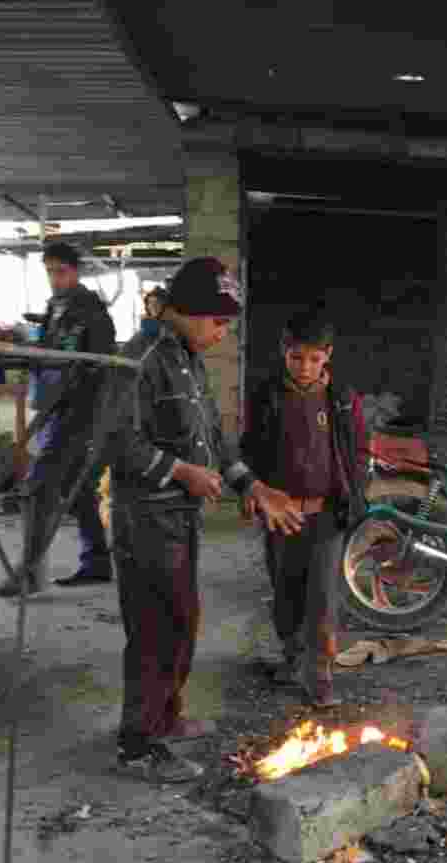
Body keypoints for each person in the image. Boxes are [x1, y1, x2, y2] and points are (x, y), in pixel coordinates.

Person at [109, 257, 302, 783]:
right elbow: (118, 443)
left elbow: (215, 439)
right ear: (185, 311)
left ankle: (164, 718)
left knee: (182, 621)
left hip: (179, 519)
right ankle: (137, 745)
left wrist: (253, 486)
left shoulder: (188, 359)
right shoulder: (141, 358)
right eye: (218, 321)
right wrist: (183, 472)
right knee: (156, 628)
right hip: (147, 519)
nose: (222, 332)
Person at [240, 306, 368, 707]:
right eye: (297, 357)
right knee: (285, 591)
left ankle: (321, 673)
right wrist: (251, 493)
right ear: (284, 351)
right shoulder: (266, 397)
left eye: (314, 358)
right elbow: (251, 450)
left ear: (328, 354)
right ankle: (292, 658)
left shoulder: (342, 400)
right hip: (281, 515)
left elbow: (358, 450)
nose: (305, 367)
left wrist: (356, 492)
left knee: (322, 597)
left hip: (326, 513)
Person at [0, 242, 117, 597]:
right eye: (49, 271)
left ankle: (30, 571)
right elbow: (51, 353)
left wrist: (94, 424)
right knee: (76, 490)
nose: (54, 278)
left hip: (78, 416)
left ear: (75, 271)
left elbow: (103, 370)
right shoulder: (55, 307)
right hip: (54, 410)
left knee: (37, 486)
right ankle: (96, 561)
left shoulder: (92, 313)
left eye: (60, 271)